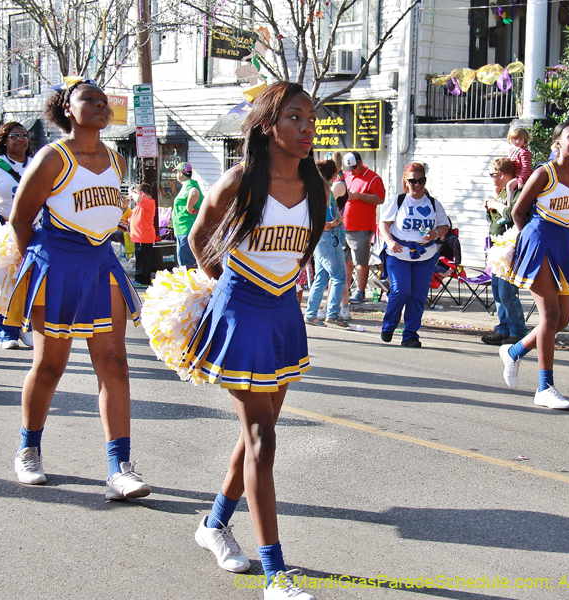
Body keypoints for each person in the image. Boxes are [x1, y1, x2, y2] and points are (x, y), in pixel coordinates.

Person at [182, 81, 325, 600]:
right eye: (295, 118)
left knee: (256, 435)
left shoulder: (316, 185)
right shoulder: (241, 180)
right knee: (263, 438)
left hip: (282, 311)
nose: (307, 128)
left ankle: (214, 524)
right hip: (242, 310)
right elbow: (199, 237)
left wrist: (279, 287)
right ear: (268, 126)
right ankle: (275, 575)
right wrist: (229, 288)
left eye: (311, 119)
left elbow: (305, 246)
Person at [4, 78, 150, 501]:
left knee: (115, 363)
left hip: (102, 265)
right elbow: (20, 219)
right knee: (50, 364)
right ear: (68, 108)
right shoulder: (53, 157)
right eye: (90, 99)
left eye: (104, 100)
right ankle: (29, 449)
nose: (101, 105)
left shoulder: (116, 159)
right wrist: (39, 267)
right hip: (58, 266)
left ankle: (119, 469)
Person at [500, 120, 569, 410]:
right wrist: (524, 241)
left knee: (562, 320)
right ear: (558, 142)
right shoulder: (544, 172)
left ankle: (514, 352)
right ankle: (544, 388)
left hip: (563, 243)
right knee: (550, 316)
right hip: (539, 240)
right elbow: (517, 211)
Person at [378, 162, 450, 348]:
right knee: (401, 290)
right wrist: (390, 241)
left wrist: (436, 233)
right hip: (398, 253)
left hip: (425, 255)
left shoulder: (433, 203)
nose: (417, 185)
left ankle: (410, 335)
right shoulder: (399, 201)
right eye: (412, 181)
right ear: (406, 181)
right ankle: (389, 325)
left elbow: (444, 225)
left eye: (421, 181)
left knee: (418, 295)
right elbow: (383, 224)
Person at [0, 121, 35, 350]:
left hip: (34, 228)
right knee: (5, 281)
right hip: (4, 227)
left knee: (30, 280)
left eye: (24, 135)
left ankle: (25, 327)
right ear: (4, 140)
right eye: (15, 135)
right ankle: (6, 331)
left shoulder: (37, 164)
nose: (20, 139)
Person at [482, 157, 528, 346]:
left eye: (492, 174)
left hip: (510, 248)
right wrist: (490, 207)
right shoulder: (501, 192)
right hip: (497, 248)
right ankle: (504, 329)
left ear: (501, 174)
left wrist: (495, 205)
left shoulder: (517, 191)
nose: (491, 178)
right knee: (498, 292)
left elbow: (512, 214)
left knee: (507, 293)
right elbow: (494, 221)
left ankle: (518, 331)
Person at [304, 159, 347, 327]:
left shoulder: (322, 189)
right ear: (334, 174)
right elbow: (313, 218)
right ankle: (333, 314)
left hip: (324, 237)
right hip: (326, 237)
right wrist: (330, 224)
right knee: (339, 276)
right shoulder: (322, 191)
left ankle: (311, 314)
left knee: (321, 278)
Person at [341, 151, 385, 307]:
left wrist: (360, 196)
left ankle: (360, 291)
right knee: (345, 261)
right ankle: (344, 291)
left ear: (360, 163)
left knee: (360, 261)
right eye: (349, 169)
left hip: (361, 227)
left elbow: (380, 198)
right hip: (343, 226)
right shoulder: (346, 176)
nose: (351, 171)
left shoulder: (373, 178)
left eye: (354, 168)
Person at [172, 161, 203, 269]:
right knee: (187, 262)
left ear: (181, 173)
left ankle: (190, 279)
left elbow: (194, 192)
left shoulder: (189, 184)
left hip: (186, 228)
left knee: (186, 264)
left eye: (177, 172)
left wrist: (189, 207)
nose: (176, 175)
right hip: (185, 229)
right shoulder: (189, 184)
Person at [129, 183, 156, 286]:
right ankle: (144, 279)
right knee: (142, 258)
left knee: (142, 260)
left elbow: (138, 199)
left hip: (143, 236)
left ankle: (141, 280)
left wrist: (132, 193)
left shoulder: (149, 202)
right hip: (141, 236)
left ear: (142, 193)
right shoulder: (143, 204)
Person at [506, 127, 533, 199]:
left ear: (525, 140)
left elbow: (526, 167)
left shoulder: (524, 152)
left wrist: (522, 180)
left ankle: (510, 203)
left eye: (521, 139)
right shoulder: (512, 150)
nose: (518, 141)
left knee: (510, 185)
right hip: (514, 174)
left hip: (521, 175)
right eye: (515, 139)